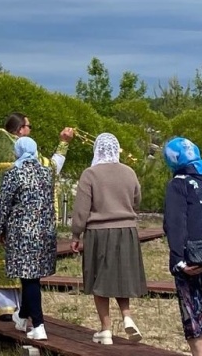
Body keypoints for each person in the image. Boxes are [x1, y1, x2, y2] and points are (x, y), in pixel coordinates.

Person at [0, 112, 72, 319]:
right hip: (25, 223)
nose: (30, 131)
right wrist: (63, 143)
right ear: (20, 129)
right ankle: (26, 312)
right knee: (25, 267)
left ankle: (5, 306)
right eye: (29, 127)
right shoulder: (25, 152)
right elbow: (52, 169)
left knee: (0, 257)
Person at [70, 132, 146, 345]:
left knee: (98, 280)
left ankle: (105, 329)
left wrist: (76, 234)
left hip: (99, 232)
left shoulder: (90, 174)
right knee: (121, 276)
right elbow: (137, 199)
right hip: (127, 231)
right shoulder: (129, 172)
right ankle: (127, 315)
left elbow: (81, 210)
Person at [0, 136, 57, 341]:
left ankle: (38, 324)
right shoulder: (46, 173)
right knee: (30, 276)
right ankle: (22, 317)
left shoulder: (14, 173)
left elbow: (3, 204)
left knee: (29, 280)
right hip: (44, 232)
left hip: (22, 233)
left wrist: (0, 229)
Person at [162, 137, 202, 356]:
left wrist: (179, 261)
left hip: (194, 261)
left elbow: (175, 223)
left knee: (196, 322)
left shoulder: (180, 182)